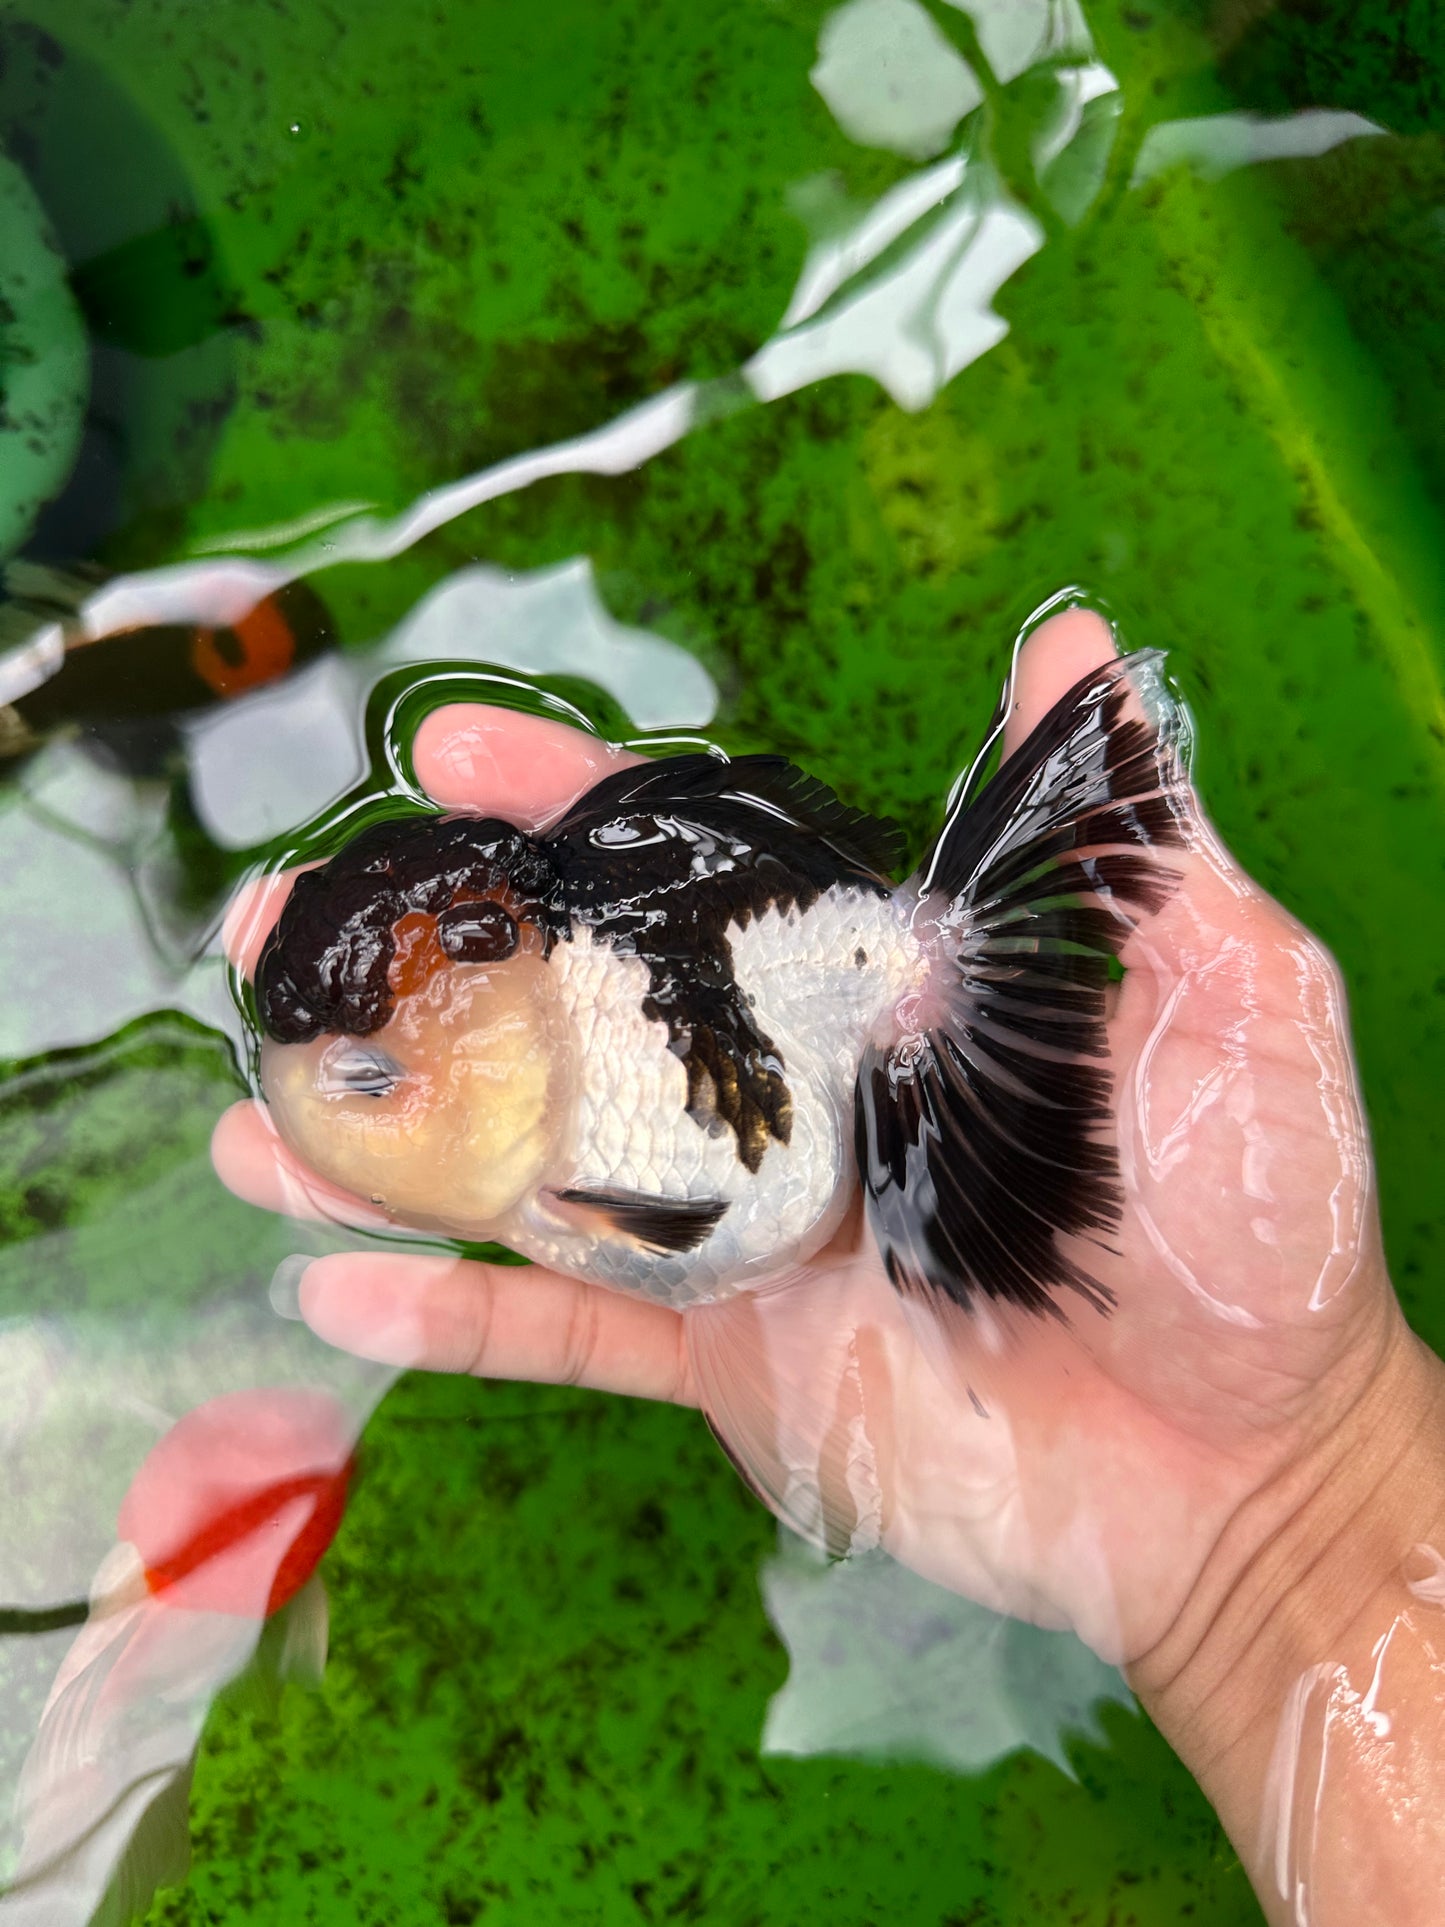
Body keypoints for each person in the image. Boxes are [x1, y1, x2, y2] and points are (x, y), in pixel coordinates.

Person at [214, 606, 1445, 1925]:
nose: (330, 1112)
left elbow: (696, 1229)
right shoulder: (548, 1103)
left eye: (370, 1081)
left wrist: (1316, 1497)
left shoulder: (615, 1102)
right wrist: (1311, 1522)